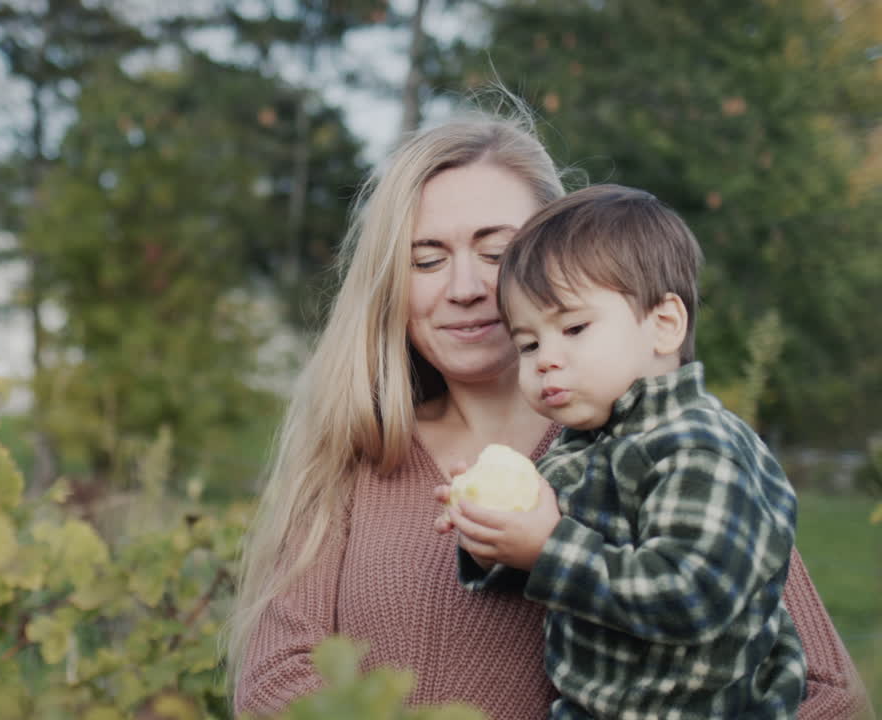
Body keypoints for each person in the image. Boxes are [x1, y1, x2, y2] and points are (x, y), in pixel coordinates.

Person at [226, 96, 874, 720]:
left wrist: (552, 545)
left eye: (495, 252)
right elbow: (277, 677)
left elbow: (827, 695)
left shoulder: (663, 450)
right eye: (427, 259)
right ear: (390, 281)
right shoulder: (357, 451)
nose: (466, 288)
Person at [449, 184, 805, 719]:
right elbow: (564, 566)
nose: (546, 358)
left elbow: (691, 594)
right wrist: (491, 539)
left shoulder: (699, 447)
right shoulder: (579, 449)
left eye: (573, 327)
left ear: (664, 325)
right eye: (528, 344)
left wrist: (547, 548)